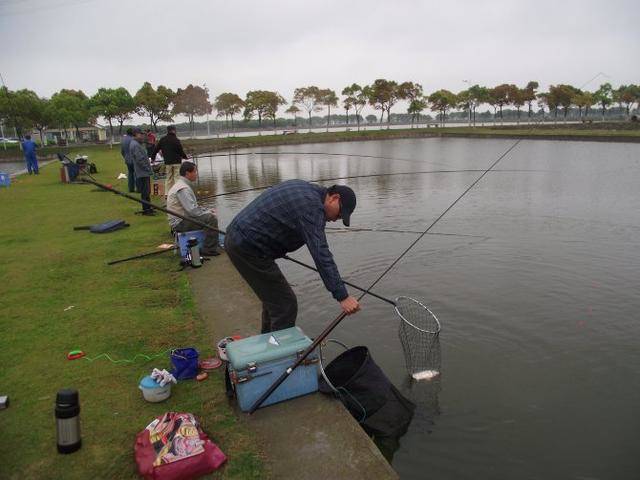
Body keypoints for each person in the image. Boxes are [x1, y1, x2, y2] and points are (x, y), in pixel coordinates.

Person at [225, 179, 360, 334]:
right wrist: (342, 296)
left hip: (242, 240)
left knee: (275, 302)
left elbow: (280, 217)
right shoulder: (312, 207)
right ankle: (279, 353)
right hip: (247, 247)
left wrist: (277, 247)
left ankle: (267, 346)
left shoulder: (305, 190)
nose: (336, 219)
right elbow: (321, 253)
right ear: (334, 198)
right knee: (285, 305)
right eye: (340, 213)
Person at [166, 161, 220, 256]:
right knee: (211, 219)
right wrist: (208, 213)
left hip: (183, 219)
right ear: (188, 173)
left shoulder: (182, 184)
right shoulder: (183, 188)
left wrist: (206, 210)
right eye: (195, 172)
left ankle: (209, 243)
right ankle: (209, 249)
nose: (196, 174)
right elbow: (192, 211)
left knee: (209, 215)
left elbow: (192, 208)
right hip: (180, 223)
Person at [151, 125, 188, 192]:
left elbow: (156, 149)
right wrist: (185, 157)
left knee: (168, 178)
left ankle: (167, 193)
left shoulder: (163, 139)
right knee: (177, 177)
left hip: (168, 162)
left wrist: (153, 158)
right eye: (175, 130)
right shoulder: (176, 140)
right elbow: (180, 151)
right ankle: (177, 192)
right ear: (174, 130)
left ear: (167, 131)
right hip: (177, 162)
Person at [129, 128, 154, 215]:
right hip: (142, 172)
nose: (142, 136)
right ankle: (146, 210)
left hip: (143, 172)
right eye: (140, 134)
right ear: (135, 134)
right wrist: (147, 168)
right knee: (145, 192)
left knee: (147, 192)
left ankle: (149, 208)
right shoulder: (135, 145)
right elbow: (139, 160)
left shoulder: (136, 144)